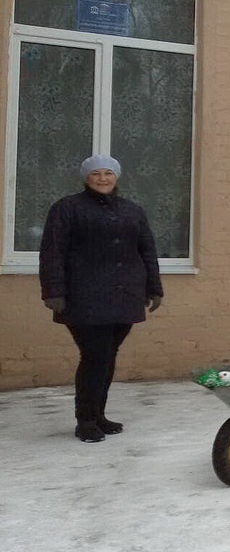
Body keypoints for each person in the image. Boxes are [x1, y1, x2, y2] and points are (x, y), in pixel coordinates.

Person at [39, 155, 164, 443]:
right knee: (95, 357)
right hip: (84, 296)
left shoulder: (132, 210)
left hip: (125, 295)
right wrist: (53, 291)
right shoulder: (67, 208)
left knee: (107, 357)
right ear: (86, 178)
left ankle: (98, 415)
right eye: (96, 173)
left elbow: (146, 251)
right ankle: (85, 419)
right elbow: (52, 252)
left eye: (109, 173)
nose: (103, 178)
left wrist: (154, 288)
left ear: (117, 177)